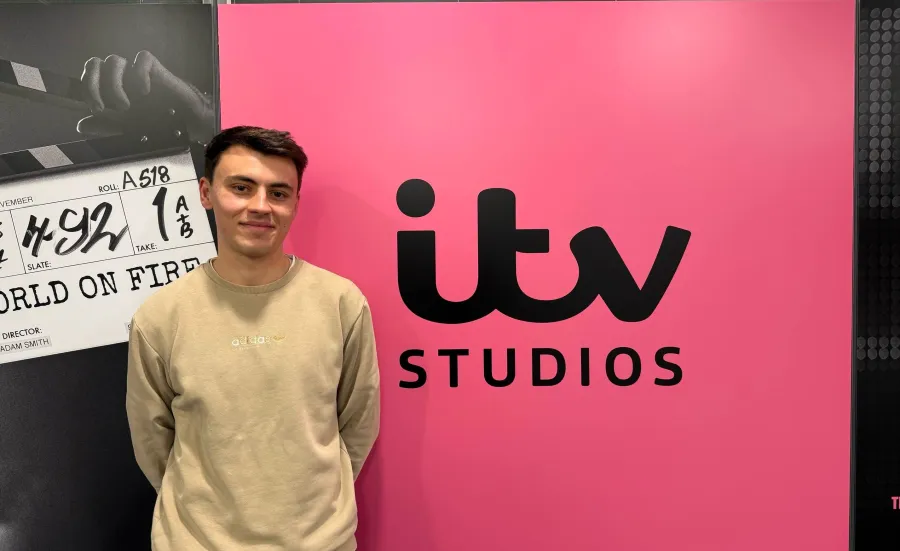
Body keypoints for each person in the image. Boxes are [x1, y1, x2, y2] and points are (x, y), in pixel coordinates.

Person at [125, 125, 380, 551]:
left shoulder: (340, 302)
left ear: (295, 203)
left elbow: (358, 420)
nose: (260, 206)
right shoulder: (161, 315)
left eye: (278, 193)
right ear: (206, 193)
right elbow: (152, 438)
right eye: (241, 188)